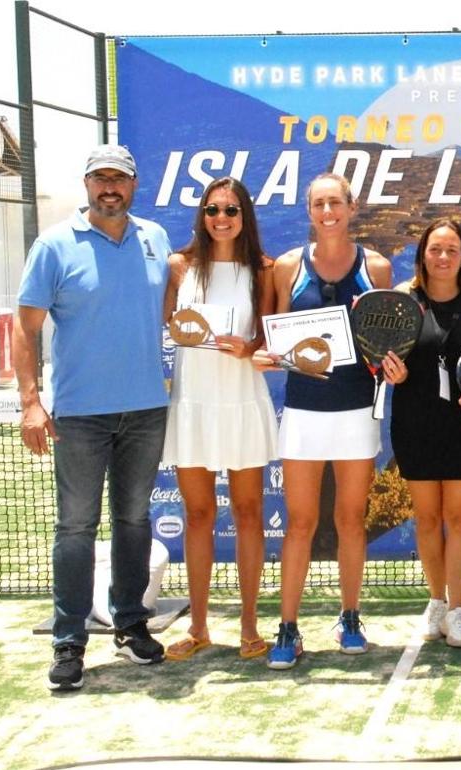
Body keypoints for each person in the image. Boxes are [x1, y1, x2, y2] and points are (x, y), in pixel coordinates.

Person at [14, 144, 172, 690]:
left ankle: (130, 624)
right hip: (80, 416)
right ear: (86, 184)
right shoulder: (54, 245)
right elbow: (25, 328)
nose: (110, 187)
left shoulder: (155, 238)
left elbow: (176, 312)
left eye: (119, 178)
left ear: (133, 185)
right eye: (100, 178)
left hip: (146, 410)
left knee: (134, 521)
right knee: (76, 527)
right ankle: (69, 640)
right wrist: (31, 401)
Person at [253, 172, 392, 669]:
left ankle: (350, 617)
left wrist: (390, 364)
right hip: (304, 412)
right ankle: (288, 628)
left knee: (351, 520)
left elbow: (384, 341)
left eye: (336, 203)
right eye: (319, 204)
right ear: (309, 210)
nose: (328, 212)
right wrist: (267, 357)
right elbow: (272, 339)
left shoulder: (376, 267)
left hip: (356, 411)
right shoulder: (288, 266)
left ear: (352, 207)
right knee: (301, 523)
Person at [161, 177, 279, 662]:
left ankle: (250, 626)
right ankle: (199, 627)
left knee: (249, 513)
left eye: (231, 210)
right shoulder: (179, 266)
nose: (221, 218)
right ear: (202, 215)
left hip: (241, 398)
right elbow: (168, 323)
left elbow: (269, 338)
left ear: (244, 215)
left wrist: (248, 348)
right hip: (193, 401)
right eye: (213, 210)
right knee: (198, 515)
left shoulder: (264, 269)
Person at [384, 219, 461, 648]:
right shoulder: (403, 301)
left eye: (451, 250)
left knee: (459, 519)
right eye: (435, 249)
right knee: (427, 519)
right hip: (415, 423)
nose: (443, 257)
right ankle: (436, 602)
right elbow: (385, 359)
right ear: (422, 255)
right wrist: (393, 372)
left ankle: (459, 611)